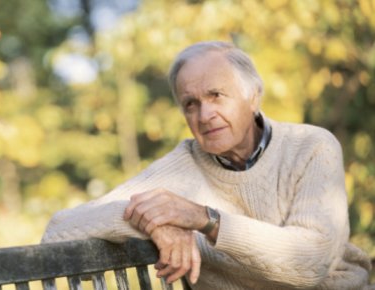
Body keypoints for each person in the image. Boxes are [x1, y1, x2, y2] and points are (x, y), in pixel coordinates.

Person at [42, 41, 372, 289]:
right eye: (191, 104)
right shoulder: (180, 167)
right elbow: (57, 233)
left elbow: (311, 262)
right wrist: (154, 222)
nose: (204, 115)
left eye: (216, 95)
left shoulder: (312, 146)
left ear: (253, 97)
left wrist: (204, 220)